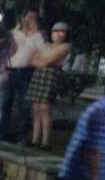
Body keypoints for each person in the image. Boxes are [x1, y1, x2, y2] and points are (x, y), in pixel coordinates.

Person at [0, 8, 43, 143]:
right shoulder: (12, 33)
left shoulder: (38, 36)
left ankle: (21, 136)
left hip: (27, 72)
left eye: (34, 18)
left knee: (25, 106)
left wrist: (36, 32)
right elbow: (3, 52)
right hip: (9, 71)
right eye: (28, 17)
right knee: (4, 103)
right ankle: (1, 133)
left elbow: (42, 51)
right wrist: (2, 69)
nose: (30, 20)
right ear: (22, 19)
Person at [26, 21, 71, 149]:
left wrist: (41, 60)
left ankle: (45, 141)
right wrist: (41, 61)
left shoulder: (65, 47)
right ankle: (35, 139)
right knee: (36, 108)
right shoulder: (46, 45)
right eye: (55, 31)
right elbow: (32, 60)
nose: (58, 34)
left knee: (45, 108)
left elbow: (49, 61)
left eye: (61, 32)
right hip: (39, 75)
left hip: (51, 77)